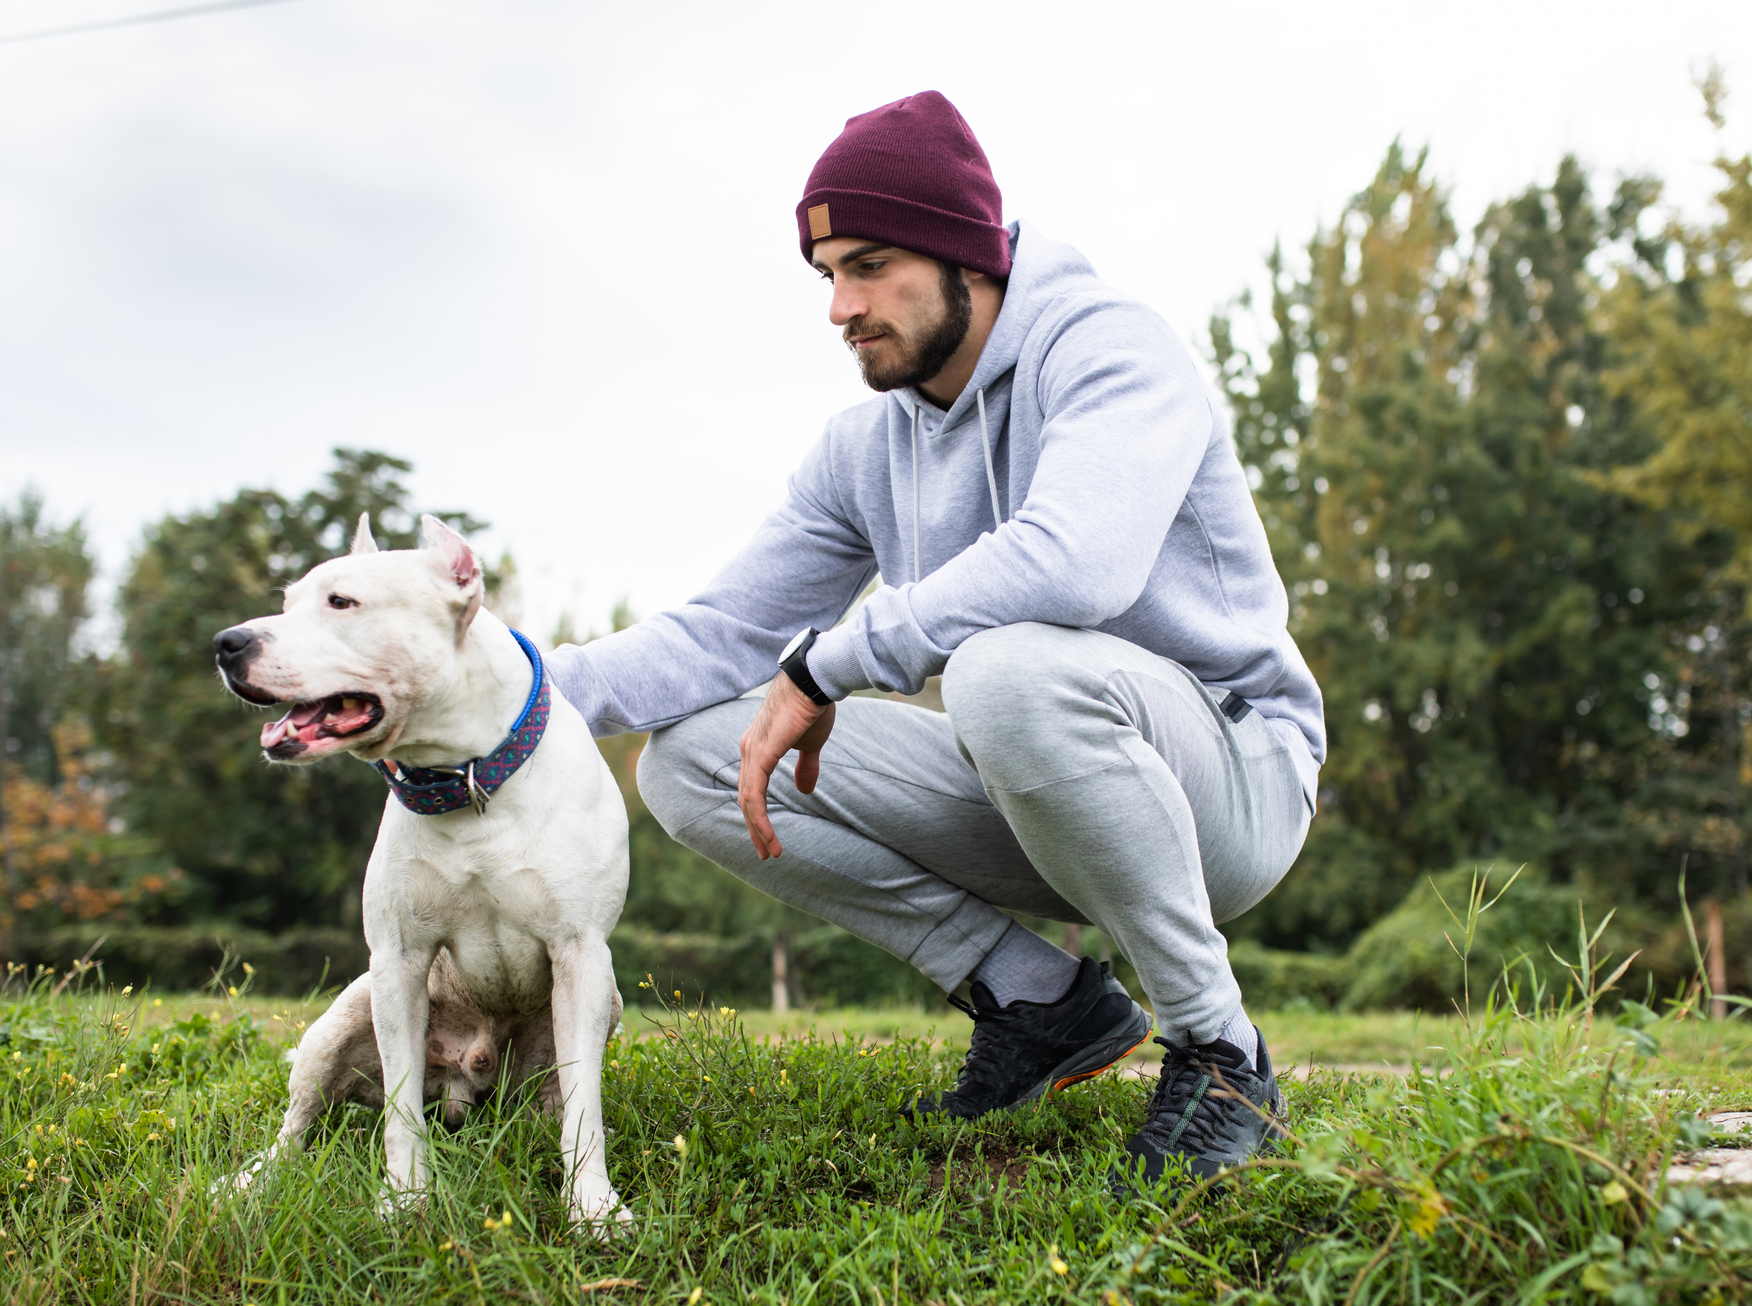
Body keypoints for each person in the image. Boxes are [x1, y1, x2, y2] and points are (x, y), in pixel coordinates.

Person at [545, 91, 1324, 1184]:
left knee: (1001, 668)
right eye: (827, 277)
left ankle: (1220, 1050)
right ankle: (1037, 1000)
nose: (840, 308)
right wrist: (512, 695)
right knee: (690, 757)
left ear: (968, 255)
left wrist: (832, 662)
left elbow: (1072, 562)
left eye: (869, 266)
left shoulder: (1110, 349)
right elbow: (723, 631)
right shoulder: (865, 448)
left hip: (1231, 783)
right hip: (1040, 784)